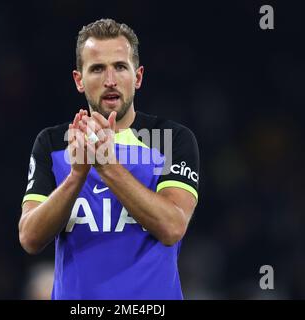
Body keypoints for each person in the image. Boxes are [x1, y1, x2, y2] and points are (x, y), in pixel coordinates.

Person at [19, 18, 200, 300]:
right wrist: (76, 176)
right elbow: (30, 237)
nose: (110, 80)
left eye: (119, 67)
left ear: (137, 77)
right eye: (97, 69)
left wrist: (106, 166)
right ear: (79, 80)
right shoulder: (53, 143)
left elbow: (172, 226)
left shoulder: (170, 139)